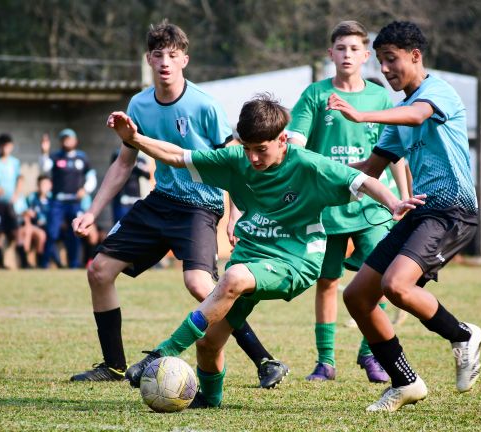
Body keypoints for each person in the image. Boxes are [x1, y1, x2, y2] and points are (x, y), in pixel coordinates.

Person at [109, 94, 425, 408]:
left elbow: (363, 180)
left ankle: (162, 352)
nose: (253, 158)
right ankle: (209, 400)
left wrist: (395, 203)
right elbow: (178, 156)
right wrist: (135, 139)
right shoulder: (237, 161)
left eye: (261, 149)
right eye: (246, 149)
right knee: (208, 344)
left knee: (231, 276)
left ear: (282, 139)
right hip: (251, 256)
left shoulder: (307, 165)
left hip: (296, 261)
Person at [70, 22, 288, 389]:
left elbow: (234, 162)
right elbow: (124, 163)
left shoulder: (203, 105)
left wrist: (235, 214)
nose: (165, 62)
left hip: (200, 206)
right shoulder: (138, 105)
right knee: (99, 271)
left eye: (173, 55)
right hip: (160, 201)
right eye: (158, 55)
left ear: (185, 59)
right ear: (148, 60)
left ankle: (265, 360)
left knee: (201, 285)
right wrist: (92, 212)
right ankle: (114, 365)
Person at [328, 21, 481, 412]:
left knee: (397, 286)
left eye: (391, 60)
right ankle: (405, 382)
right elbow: (371, 169)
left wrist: (362, 117)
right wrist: (317, 177)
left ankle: (462, 334)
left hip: (453, 210)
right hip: (418, 212)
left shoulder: (437, 92)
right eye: (380, 62)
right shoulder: (399, 111)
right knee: (358, 297)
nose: (385, 69)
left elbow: (418, 116)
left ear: (416, 56)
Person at [287, 20, 410, 383]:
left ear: (366, 56)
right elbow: (295, 145)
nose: (347, 54)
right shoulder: (314, 95)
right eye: (341, 48)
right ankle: (325, 362)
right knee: (326, 282)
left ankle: (370, 354)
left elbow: (396, 154)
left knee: (384, 278)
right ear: (331, 54)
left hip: (374, 205)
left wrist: (401, 200)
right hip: (328, 207)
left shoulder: (380, 98)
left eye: (355, 49)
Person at [40, 128, 97, 268]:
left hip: (75, 202)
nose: (66, 141)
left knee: (75, 234)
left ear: (75, 141)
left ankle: (73, 264)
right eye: (64, 138)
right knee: (52, 232)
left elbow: (91, 176)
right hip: (57, 201)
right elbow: (44, 168)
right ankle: (44, 263)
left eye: (69, 138)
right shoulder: (55, 156)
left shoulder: (82, 157)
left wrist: (85, 189)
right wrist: (44, 152)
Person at [0, 133, 24, 269]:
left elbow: (20, 179)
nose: (5, 148)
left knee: (16, 231)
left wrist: (16, 194)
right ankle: (0, 263)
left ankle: (25, 262)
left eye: (8, 145)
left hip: (10, 204)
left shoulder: (15, 162)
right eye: (3, 145)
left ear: (11, 147)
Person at [19, 174, 53, 268]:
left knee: (45, 235)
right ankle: (26, 263)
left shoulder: (52, 199)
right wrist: (28, 221)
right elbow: (25, 213)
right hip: (34, 227)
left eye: (46, 184)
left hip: (48, 228)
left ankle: (41, 263)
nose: (43, 187)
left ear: (50, 185)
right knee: (32, 232)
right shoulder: (32, 197)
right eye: (42, 184)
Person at [110, 149, 151, 224]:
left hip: (135, 197)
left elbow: (148, 175)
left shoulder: (140, 159)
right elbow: (114, 174)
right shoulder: (118, 155)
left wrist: (136, 165)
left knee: (136, 225)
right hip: (121, 197)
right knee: (120, 225)